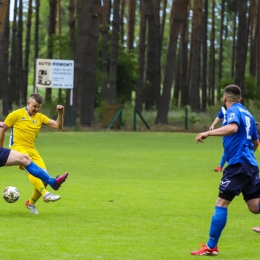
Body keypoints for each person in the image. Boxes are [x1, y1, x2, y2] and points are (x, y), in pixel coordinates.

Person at [191, 85, 260, 256]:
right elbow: (256, 143)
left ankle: (211, 246)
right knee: (254, 206)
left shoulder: (231, 112)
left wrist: (207, 133)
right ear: (240, 99)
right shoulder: (248, 114)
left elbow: (232, 128)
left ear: (224, 99)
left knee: (221, 204)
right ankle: (211, 247)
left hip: (238, 165)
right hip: (250, 164)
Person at [0, 93, 68, 214]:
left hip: (32, 150)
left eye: (39, 107)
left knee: (44, 178)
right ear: (28, 104)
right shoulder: (15, 114)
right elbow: (2, 128)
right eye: (34, 106)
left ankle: (31, 203)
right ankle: (45, 194)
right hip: (18, 148)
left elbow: (58, 126)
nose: (36, 109)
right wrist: (1, 148)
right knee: (31, 168)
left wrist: (60, 113)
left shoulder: (40, 117)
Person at [209, 105, 227, 172]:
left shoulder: (235, 109)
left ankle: (220, 167)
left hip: (232, 131)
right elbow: (219, 116)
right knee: (227, 149)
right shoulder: (223, 108)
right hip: (225, 132)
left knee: (227, 149)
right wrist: (213, 125)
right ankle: (220, 167)